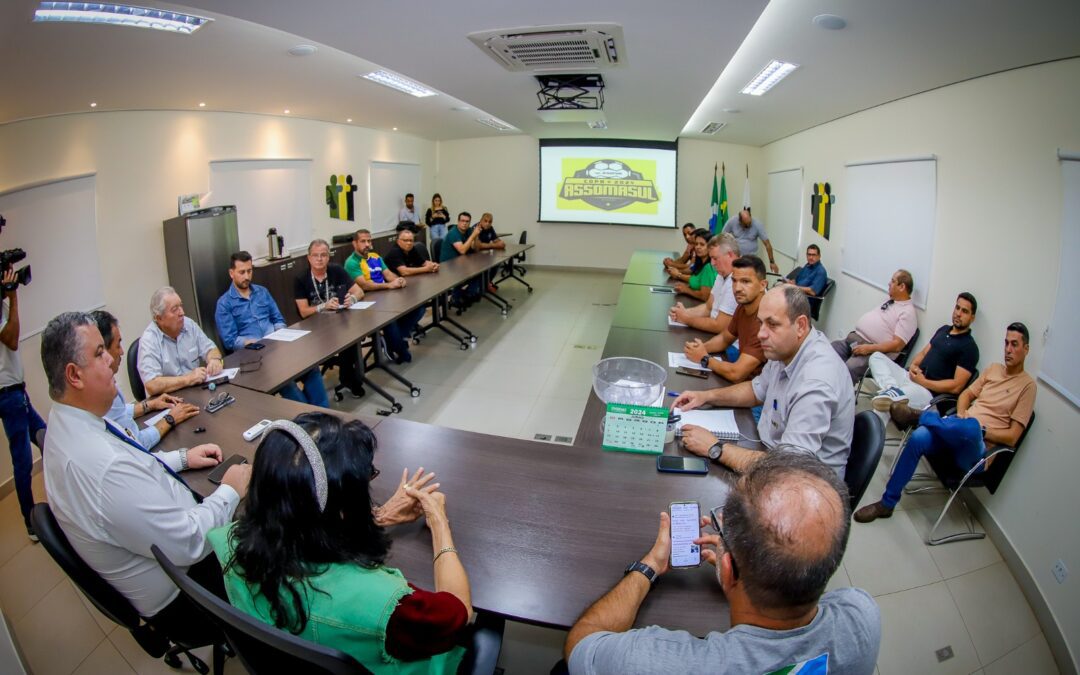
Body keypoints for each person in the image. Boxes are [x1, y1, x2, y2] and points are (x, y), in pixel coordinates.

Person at [565, 452, 881, 675]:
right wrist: (755, 569)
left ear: (726, 570)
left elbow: (581, 647)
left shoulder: (651, 663)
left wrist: (649, 566)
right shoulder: (862, 616)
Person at [41, 311, 250, 646]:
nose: (112, 360)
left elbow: (133, 459)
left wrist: (182, 458)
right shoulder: (101, 468)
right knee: (264, 521)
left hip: (172, 549)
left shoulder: (69, 420)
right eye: (99, 353)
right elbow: (189, 545)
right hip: (191, 595)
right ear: (73, 375)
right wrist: (230, 490)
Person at [209, 412, 471, 672]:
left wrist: (379, 516)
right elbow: (459, 613)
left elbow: (298, 525)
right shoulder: (385, 606)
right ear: (342, 509)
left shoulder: (228, 542)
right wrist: (438, 520)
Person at [855, 323, 1036, 523]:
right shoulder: (993, 369)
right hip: (957, 428)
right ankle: (886, 504)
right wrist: (961, 414)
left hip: (978, 450)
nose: (1008, 349)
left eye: (1015, 345)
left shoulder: (1027, 386)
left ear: (1026, 349)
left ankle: (918, 417)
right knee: (918, 437)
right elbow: (966, 394)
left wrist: (979, 429)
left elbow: (1012, 437)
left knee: (973, 428)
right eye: (1006, 343)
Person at [674, 286, 855, 477]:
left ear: (800, 325)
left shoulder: (816, 381)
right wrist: (706, 396)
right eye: (761, 323)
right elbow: (756, 389)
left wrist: (715, 448)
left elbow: (787, 468)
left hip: (805, 486)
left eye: (772, 324)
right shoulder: (786, 349)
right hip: (774, 456)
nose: (761, 333)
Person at [216, 251, 330, 407]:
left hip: (277, 346)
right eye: (241, 272)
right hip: (253, 356)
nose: (247, 276)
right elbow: (230, 341)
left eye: (249, 271)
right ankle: (310, 418)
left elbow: (278, 319)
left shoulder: (262, 292)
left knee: (311, 368)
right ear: (231, 273)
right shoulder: (224, 303)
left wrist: (280, 333)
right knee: (285, 380)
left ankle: (325, 414)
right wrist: (253, 342)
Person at [92, 310, 201, 450]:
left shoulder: (101, 386)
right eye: (118, 345)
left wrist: (148, 405)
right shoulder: (103, 389)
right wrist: (170, 418)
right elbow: (138, 442)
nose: (121, 352)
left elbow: (116, 411)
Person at [870, 292, 979, 423]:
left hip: (927, 392)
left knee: (885, 404)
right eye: (957, 308)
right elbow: (923, 353)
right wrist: (914, 366)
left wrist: (924, 382)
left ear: (972, 318)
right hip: (911, 377)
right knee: (876, 357)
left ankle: (892, 397)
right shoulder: (943, 330)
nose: (958, 313)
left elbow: (956, 386)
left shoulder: (969, 347)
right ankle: (891, 388)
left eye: (964, 311)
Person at [0, 267, 47, 540]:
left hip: (16, 391)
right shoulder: (6, 304)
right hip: (8, 395)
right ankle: (31, 522)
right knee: (23, 461)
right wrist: (13, 297)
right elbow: (12, 340)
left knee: (48, 439)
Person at [294, 239, 367, 397]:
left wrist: (352, 299)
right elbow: (303, 312)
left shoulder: (337, 271)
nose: (319, 259)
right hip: (314, 327)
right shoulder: (301, 278)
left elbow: (359, 291)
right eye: (315, 255)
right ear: (308, 258)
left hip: (340, 321)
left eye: (323, 255)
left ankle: (348, 378)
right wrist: (323, 306)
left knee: (351, 339)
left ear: (329, 257)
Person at [683, 256, 767, 384]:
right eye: (734, 281)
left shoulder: (766, 320)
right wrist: (700, 348)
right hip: (748, 382)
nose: (737, 288)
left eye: (745, 281)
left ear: (762, 285)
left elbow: (736, 373)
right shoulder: (743, 306)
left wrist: (704, 358)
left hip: (760, 393)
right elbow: (725, 338)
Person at [345, 229, 424, 364]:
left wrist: (398, 280)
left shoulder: (375, 257)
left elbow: (388, 275)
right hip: (369, 303)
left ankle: (391, 340)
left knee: (418, 307)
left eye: (369, 241)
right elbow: (365, 286)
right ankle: (401, 350)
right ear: (355, 243)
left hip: (386, 296)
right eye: (363, 241)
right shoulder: (352, 262)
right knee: (390, 322)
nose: (367, 244)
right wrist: (389, 286)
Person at [831, 269, 918, 384]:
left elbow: (897, 345)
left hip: (872, 352)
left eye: (892, 281)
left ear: (902, 287)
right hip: (854, 340)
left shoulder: (908, 313)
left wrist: (868, 348)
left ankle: (841, 398)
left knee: (849, 369)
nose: (889, 283)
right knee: (829, 352)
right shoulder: (890, 301)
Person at [137, 287, 224, 396]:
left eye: (181, 306)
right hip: (168, 401)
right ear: (159, 318)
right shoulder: (149, 340)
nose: (182, 312)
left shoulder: (189, 324)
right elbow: (152, 384)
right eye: (174, 309)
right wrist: (188, 379)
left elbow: (211, 349)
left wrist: (214, 360)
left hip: (195, 392)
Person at [669, 233, 738, 338]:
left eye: (715, 258)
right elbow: (708, 307)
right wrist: (684, 312)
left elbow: (719, 325)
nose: (712, 263)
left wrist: (686, 319)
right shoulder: (721, 275)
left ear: (730, 255)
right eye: (711, 259)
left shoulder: (736, 280)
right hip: (715, 335)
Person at [440, 211, 483, 306]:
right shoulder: (453, 233)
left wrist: (476, 236)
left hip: (461, 262)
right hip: (448, 265)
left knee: (479, 271)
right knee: (473, 271)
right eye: (462, 220)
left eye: (467, 221)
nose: (464, 223)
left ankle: (468, 294)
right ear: (458, 221)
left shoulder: (469, 231)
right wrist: (472, 235)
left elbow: (476, 249)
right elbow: (462, 250)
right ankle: (456, 298)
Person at [722, 209, 779, 273]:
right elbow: (722, 237)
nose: (748, 226)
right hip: (737, 258)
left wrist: (772, 262)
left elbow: (767, 244)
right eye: (746, 225)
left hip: (751, 259)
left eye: (750, 223)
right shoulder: (732, 221)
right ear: (740, 221)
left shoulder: (757, 224)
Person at [671, 228, 717, 302]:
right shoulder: (702, 264)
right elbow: (697, 280)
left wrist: (686, 290)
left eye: (702, 244)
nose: (697, 247)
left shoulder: (709, 267)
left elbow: (705, 296)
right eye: (696, 244)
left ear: (710, 248)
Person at [474, 213, 505, 294]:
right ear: (481, 221)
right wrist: (493, 245)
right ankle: (482, 286)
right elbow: (478, 246)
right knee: (485, 266)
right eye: (485, 221)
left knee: (496, 263)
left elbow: (500, 243)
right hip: (474, 256)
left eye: (490, 222)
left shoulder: (490, 228)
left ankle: (487, 283)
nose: (487, 223)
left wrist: (498, 244)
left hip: (485, 255)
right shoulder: (476, 228)